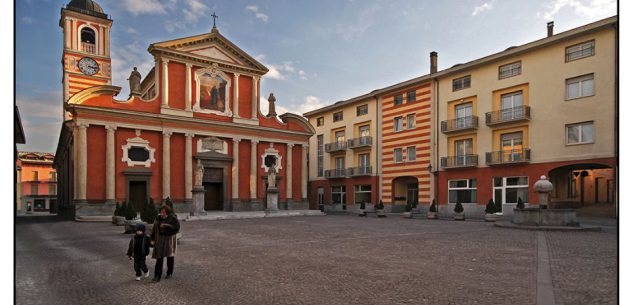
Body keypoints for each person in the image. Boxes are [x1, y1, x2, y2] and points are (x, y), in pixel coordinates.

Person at [150, 205, 180, 282]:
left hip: (169, 240)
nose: (162, 213)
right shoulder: (157, 218)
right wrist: (152, 239)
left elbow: (176, 229)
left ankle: (169, 272)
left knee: (170, 257)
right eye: (161, 212)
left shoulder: (173, 218)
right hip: (159, 240)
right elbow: (154, 229)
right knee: (159, 258)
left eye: (164, 212)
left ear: (167, 212)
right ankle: (157, 276)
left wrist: (167, 226)